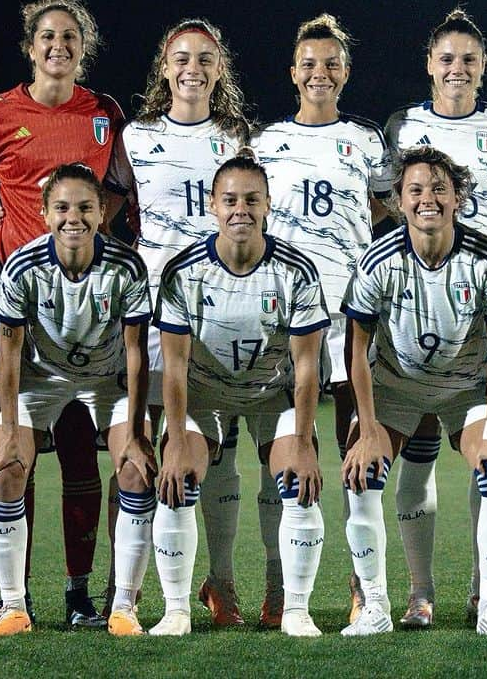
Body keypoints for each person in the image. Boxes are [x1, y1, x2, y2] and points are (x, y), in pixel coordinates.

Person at [0, 0, 125, 628]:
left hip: (84, 313)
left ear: (84, 49)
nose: (59, 46)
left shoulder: (104, 114)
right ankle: (10, 595)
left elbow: (120, 199)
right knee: (9, 454)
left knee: (81, 456)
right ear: (30, 47)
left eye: (71, 38)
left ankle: (79, 594)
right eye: (48, 37)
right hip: (14, 312)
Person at [103, 18, 259, 627]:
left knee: (217, 450)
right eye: (181, 57)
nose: (192, 67)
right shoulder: (135, 136)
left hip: (222, 305)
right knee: (142, 447)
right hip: (151, 310)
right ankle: (129, 589)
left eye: (205, 58)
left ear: (221, 71)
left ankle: (219, 582)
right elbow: (103, 216)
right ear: (164, 68)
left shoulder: (239, 137)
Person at [382, 9, 487, 627]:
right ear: (429, 65)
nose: (458, 69)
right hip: (418, 298)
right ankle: (420, 592)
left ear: (482, 67)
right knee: (416, 454)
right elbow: (384, 207)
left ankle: (482, 589)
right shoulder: (403, 125)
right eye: (447, 58)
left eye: (469, 59)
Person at [341, 146, 487, 638]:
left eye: (440, 189)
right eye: (416, 189)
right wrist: (369, 426)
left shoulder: (486, 257)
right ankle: (375, 605)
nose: (428, 199)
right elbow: (356, 350)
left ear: (459, 198)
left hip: (465, 388)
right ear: (398, 200)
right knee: (362, 475)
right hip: (396, 389)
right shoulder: (377, 260)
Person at [250, 13, 392, 624]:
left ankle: (366, 590)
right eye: (309, 63)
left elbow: (394, 209)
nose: (319, 73)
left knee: (357, 452)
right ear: (292, 72)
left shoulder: (368, 142)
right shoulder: (265, 143)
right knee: (282, 453)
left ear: (346, 72)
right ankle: (280, 586)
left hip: (353, 316)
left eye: (331, 63)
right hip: (286, 318)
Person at [152, 155, 328, 637]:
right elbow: (174, 365)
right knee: (179, 479)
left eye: (252, 199)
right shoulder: (183, 271)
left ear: (269, 205)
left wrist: (307, 442)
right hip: (205, 394)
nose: (241, 210)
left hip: (273, 394)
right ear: (212, 206)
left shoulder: (296, 270)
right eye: (229, 200)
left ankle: (290, 603)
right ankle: (181, 608)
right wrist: (172, 439)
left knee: (298, 482)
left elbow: (308, 365)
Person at [0, 163, 154, 637]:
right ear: (44, 214)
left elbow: (136, 353)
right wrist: (10, 430)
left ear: (102, 212)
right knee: (4, 472)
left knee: (136, 470)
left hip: (105, 379)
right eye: (61, 208)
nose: (72, 218)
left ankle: (123, 607)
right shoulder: (22, 266)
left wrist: (137, 433)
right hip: (43, 378)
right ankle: (14, 607)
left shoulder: (126, 265)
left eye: (84, 207)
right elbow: (10, 355)